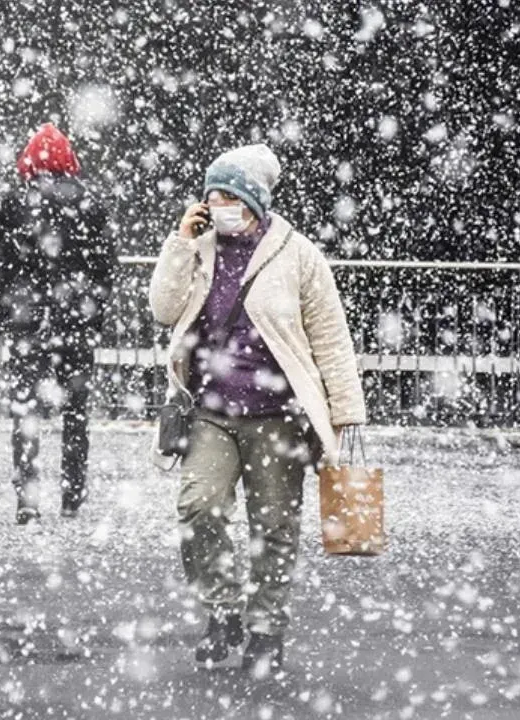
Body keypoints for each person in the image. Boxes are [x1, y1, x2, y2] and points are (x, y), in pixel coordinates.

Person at [147, 144, 366, 674]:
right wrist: (180, 242)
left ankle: (266, 629)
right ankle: (223, 610)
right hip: (211, 411)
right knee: (198, 508)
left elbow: (330, 338)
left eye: (229, 196)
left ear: (254, 200)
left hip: (277, 415)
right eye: (211, 197)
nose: (219, 206)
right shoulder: (199, 248)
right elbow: (162, 308)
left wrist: (345, 413)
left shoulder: (297, 255)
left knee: (273, 527)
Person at [0, 123, 115, 524]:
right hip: (75, 320)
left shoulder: (13, 204)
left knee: (25, 410)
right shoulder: (90, 204)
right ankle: (72, 494)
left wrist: (3, 312)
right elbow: (103, 268)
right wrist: (94, 312)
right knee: (75, 412)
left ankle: (27, 497)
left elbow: (0, 267)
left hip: (28, 323)